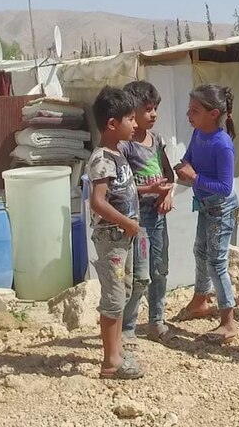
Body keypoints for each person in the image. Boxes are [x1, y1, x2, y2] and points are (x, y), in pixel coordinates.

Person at [175, 84, 239, 345]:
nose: (189, 116)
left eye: (194, 111)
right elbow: (188, 159)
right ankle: (200, 301)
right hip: (204, 206)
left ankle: (229, 322)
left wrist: (195, 178)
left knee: (216, 262)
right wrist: (183, 168)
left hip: (220, 209)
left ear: (213, 114)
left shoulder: (222, 145)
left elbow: (225, 187)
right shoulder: (198, 134)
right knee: (200, 252)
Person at [87, 86, 144, 380]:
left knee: (122, 293)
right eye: (130, 119)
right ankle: (110, 362)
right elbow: (97, 202)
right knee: (113, 297)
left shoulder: (117, 153)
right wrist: (125, 222)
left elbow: (122, 191)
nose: (135, 125)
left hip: (124, 237)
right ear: (112, 124)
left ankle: (118, 351)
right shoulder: (102, 159)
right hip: (112, 239)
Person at [120, 81, 176, 346]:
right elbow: (123, 186)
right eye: (147, 109)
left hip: (158, 217)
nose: (153, 114)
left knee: (159, 269)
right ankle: (127, 327)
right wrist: (149, 189)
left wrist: (167, 194)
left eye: (155, 109)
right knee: (140, 275)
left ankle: (156, 322)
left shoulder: (157, 141)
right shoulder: (126, 146)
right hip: (138, 219)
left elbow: (169, 175)